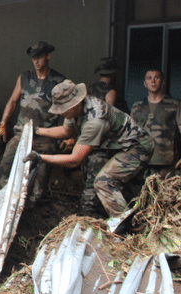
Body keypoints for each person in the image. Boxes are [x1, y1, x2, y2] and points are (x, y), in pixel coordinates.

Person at [26, 80, 154, 218]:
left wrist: (40, 158)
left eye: (63, 109)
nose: (61, 113)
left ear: (75, 103)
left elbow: (74, 159)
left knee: (104, 182)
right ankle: (97, 213)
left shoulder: (95, 120)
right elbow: (66, 131)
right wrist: (37, 130)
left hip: (136, 147)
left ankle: (123, 225)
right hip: (112, 146)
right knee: (92, 170)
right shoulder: (74, 110)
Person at [0, 41, 65, 205]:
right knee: (5, 166)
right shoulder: (24, 77)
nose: (36, 61)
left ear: (48, 56)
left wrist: (68, 135)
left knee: (40, 180)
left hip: (46, 136)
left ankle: (36, 208)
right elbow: (12, 101)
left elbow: (68, 109)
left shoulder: (59, 81)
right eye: (33, 58)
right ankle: (3, 202)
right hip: (22, 132)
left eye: (40, 57)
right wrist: (2, 124)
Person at [130, 69, 181, 180]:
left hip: (167, 162)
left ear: (162, 81)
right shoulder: (137, 107)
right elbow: (130, 134)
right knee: (143, 196)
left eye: (157, 77)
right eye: (149, 78)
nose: (153, 81)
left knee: (166, 195)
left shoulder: (175, 104)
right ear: (145, 83)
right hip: (143, 162)